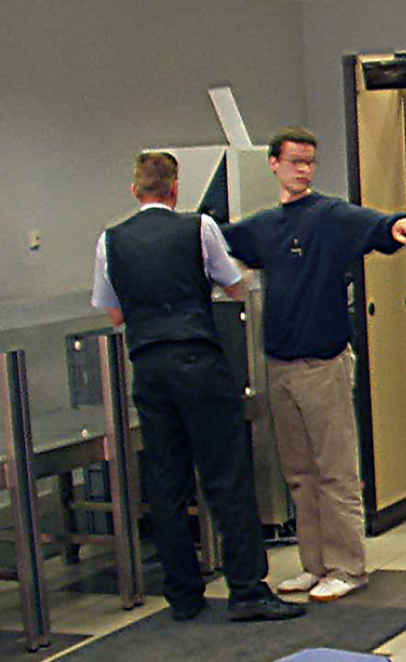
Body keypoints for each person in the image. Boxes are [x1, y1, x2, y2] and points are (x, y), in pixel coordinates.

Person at [92, 153, 306, 622]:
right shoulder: (198, 229)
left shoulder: (111, 241)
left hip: (147, 365)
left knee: (167, 482)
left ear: (135, 191)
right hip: (198, 360)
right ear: (174, 189)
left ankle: (183, 596)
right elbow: (234, 285)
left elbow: (114, 314)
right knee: (226, 475)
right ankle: (247, 589)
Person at [222, 127, 406, 602]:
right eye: (295, 161)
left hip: (324, 362)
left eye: (310, 162)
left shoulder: (329, 215)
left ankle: (347, 566)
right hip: (280, 363)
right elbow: (222, 241)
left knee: (334, 470)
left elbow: (376, 225)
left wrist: (400, 225)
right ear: (273, 163)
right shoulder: (265, 226)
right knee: (299, 471)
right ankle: (314, 564)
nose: (303, 169)